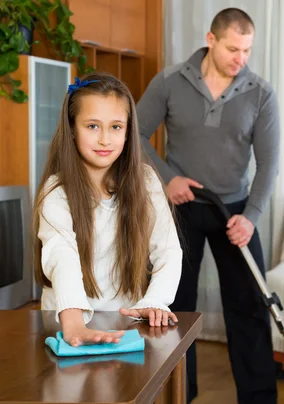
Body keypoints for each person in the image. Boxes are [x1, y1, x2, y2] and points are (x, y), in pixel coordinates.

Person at [136, 8, 284, 404]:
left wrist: (251, 218)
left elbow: (270, 164)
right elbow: (133, 133)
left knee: (249, 308)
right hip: (180, 209)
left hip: (234, 212)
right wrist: (167, 179)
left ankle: (259, 402)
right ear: (211, 39)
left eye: (247, 50)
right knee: (171, 309)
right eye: (232, 48)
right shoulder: (170, 81)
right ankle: (170, 400)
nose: (240, 58)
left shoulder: (260, 93)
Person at [32, 72, 182, 348]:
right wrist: (74, 322)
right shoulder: (56, 191)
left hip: (125, 322)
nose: (104, 139)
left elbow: (169, 251)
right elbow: (61, 254)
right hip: (67, 321)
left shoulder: (146, 181)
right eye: (92, 126)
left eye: (116, 127)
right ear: (72, 128)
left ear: (128, 131)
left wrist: (154, 301)